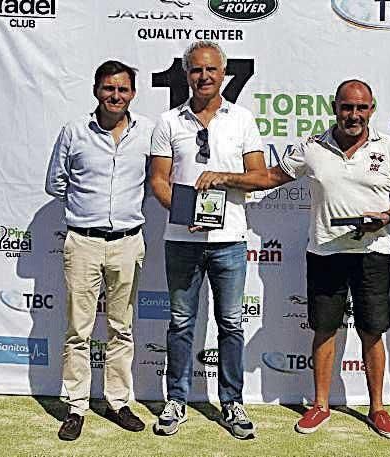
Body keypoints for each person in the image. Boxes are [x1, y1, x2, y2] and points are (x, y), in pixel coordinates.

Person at [195, 79, 390, 439]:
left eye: (362, 108)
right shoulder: (312, 147)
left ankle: (378, 408)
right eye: (347, 107)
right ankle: (320, 405)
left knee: (372, 331)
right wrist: (225, 178)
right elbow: (269, 177)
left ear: (372, 110)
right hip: (325, 253)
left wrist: (389, 216)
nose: (354, 115)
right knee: (324, 329)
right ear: (335, 107)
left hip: (372, 253)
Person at [148, 41, 266, 440]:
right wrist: (184, 214)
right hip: (181, 239)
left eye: (211, 70)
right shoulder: (168, 122)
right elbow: (158, 182)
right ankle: (176, 399)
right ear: (187, 74)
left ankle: (232, 402)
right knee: (181, 322)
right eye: (196, 70)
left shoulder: (243, 119)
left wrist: (223, 177)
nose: (203, 77)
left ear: (223, 73)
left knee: (231, 324)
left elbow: (259, 177)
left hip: (230, 239)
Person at [45, 60, 153, 441]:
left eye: (122, 90)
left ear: (132, 94)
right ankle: (76, 407)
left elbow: (160, 179)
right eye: (109, 88)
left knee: (121, 328)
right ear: (96, 90)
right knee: (78, 330)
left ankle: (119, 402)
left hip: (128, 242)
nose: (115, 96)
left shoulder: (147, 134)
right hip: (83, 242)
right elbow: (55, 183)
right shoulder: (73, 132)